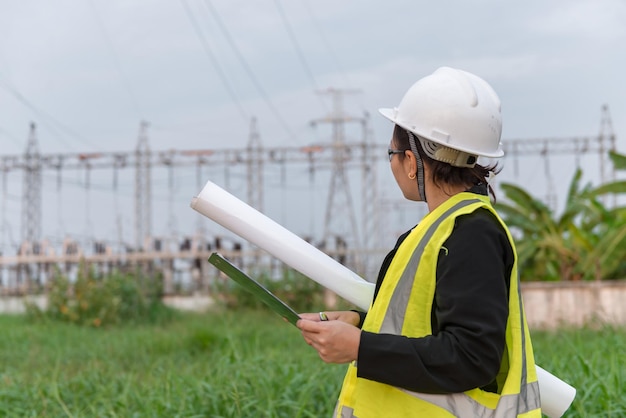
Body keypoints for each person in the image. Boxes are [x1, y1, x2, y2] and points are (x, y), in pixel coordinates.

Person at [296, 67, 541, 417]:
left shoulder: (472, 234)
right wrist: (360, 324)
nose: (393, 166)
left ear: (411, 161)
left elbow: (471, 356)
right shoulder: (438, 231)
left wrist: (363, 348)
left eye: (392, 155)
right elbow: (425, 323)